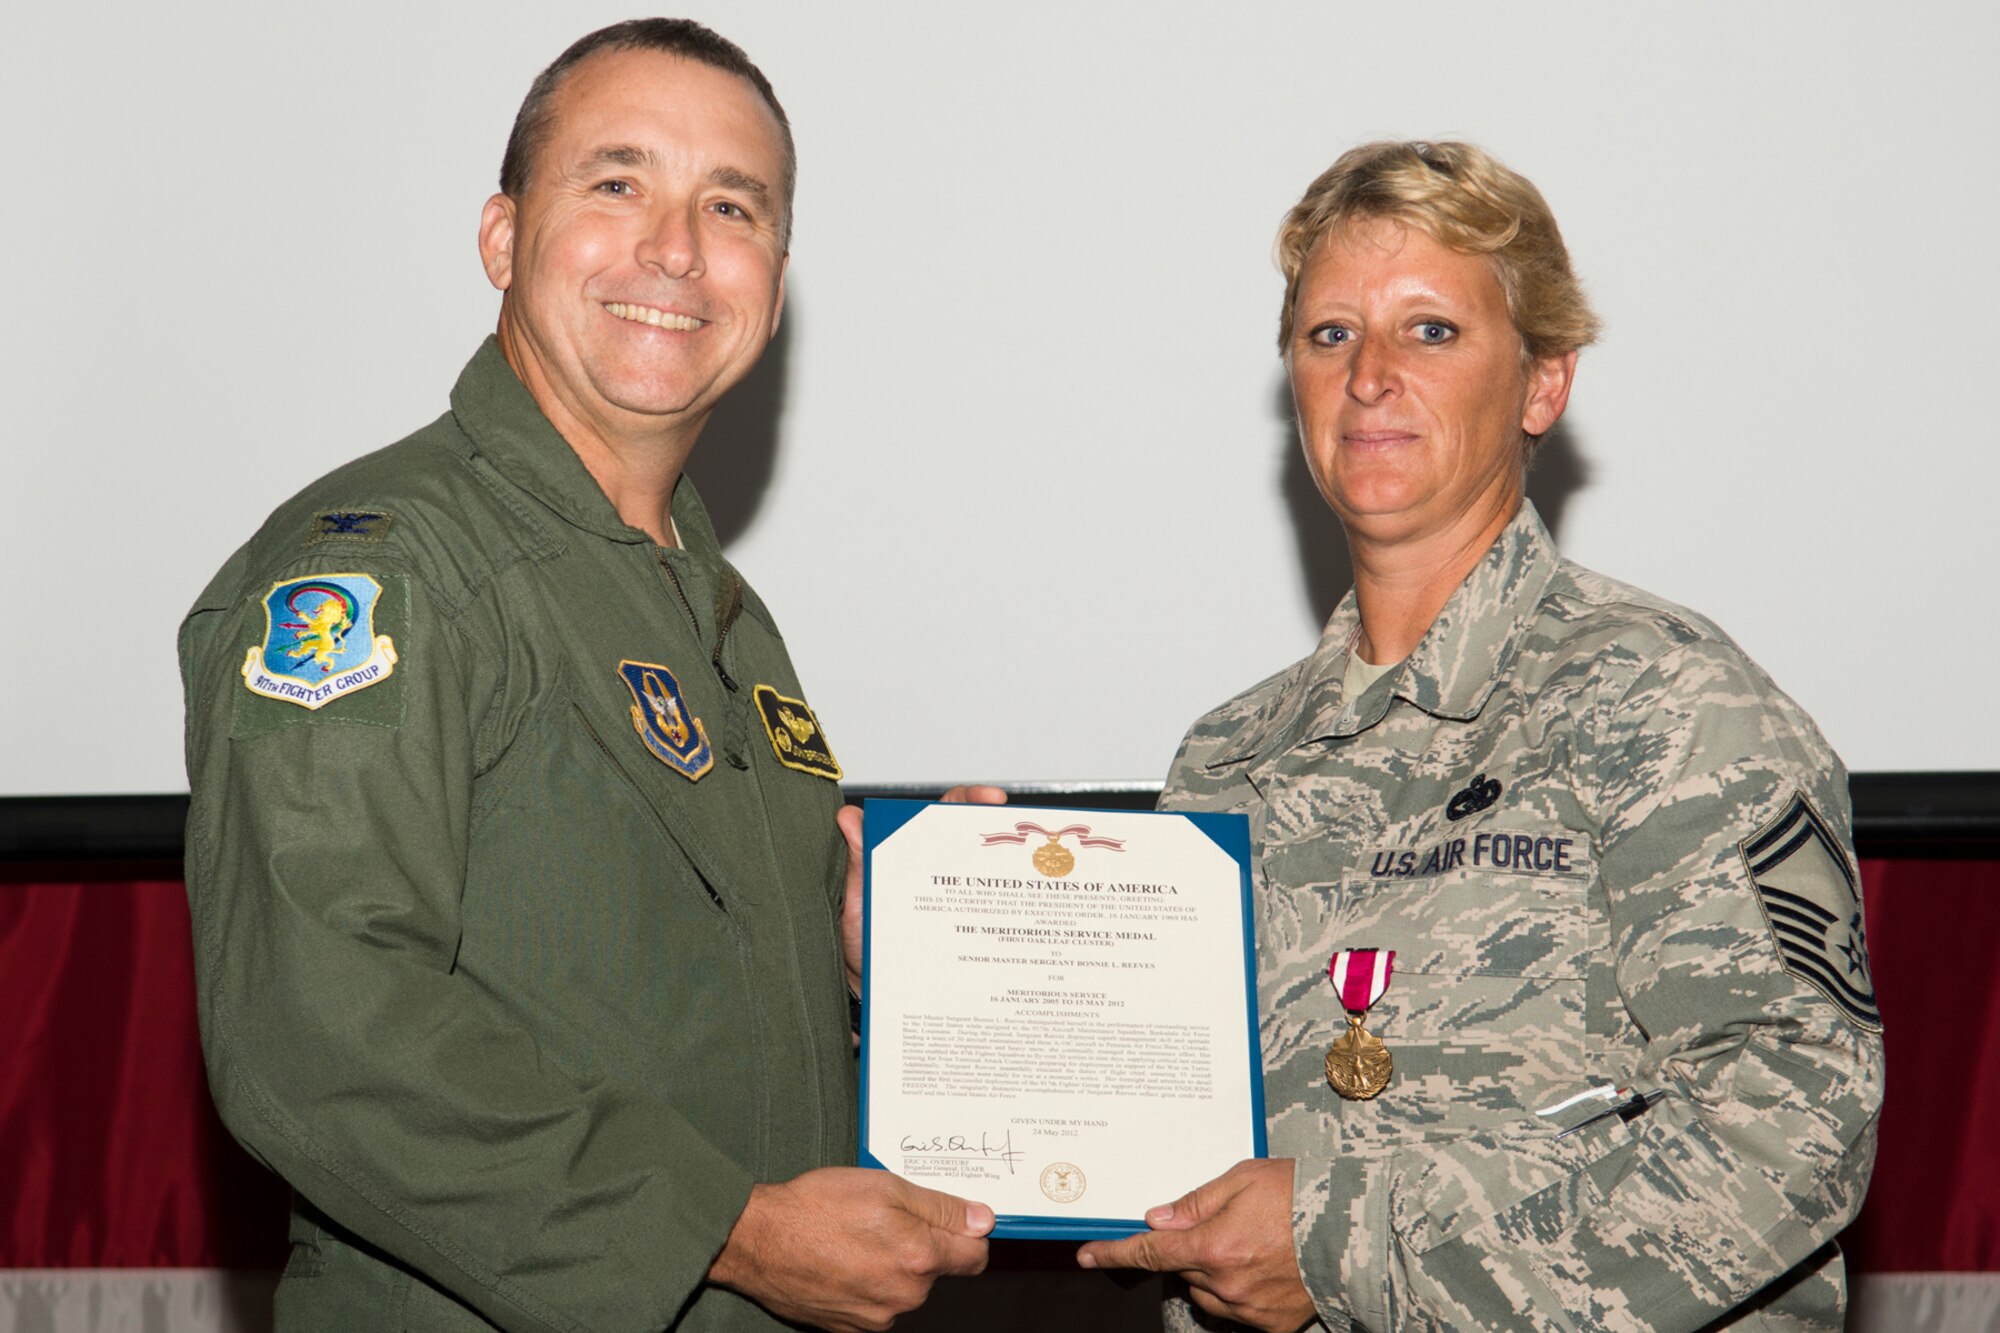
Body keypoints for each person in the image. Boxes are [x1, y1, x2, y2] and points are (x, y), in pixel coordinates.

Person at [178, 20, 992, 1332]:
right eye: (617, 184)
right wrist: (732, 1232)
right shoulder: (390, 572)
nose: (675, 248)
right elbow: (321, 1037)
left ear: (774, 283)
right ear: (502, 239)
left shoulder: (723, 615)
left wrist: (873, 952)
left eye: (733, 206)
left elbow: (647, 981)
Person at [1078, 141, 1884, 1331]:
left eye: (1432, 332)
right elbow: (1136, 1122)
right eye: (1329, 334)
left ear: (1542, 384)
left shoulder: (1663, 701)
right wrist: (900, 959)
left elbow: (1793, 1116)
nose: (1368, 379)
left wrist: (1344, 1249)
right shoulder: (1227, 761)